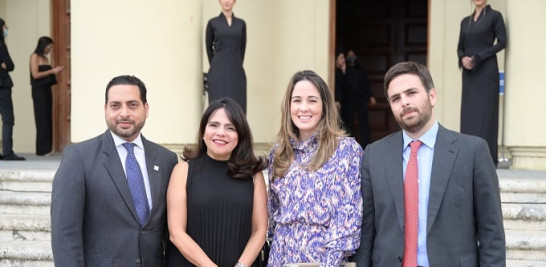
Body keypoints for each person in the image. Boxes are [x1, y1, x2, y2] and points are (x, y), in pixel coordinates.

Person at [351, 61, 505, 266]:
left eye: (411, 93)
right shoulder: (374, 155)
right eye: (396, 98)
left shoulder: (473, 152)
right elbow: (366, 230)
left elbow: (491, 232)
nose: (404, 102)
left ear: (432, 96)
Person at [51, 75, 179, 266]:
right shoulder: (78, 158)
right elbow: (65, 233)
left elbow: (170, 232)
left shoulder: (166, 159)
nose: (124, 113)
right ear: (105, 109)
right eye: (115, 105)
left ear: (146, 108)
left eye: (133, 105)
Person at [267, 70, 363, 266]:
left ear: (324, 107)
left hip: (324, 258)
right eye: (297, 100)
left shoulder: (346, 151)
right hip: (281, 256)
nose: (304, 108)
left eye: (312, 100)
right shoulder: (278, 154)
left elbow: (347, 218)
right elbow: (272, 215)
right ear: (288, 106)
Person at [166, 97, 267, 267]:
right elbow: (176, 233)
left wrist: (241, 266)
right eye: (214, 125)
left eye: (230, 128)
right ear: (203, 131)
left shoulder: (253, 176)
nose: (221, 133)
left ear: (240, 135)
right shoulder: (183, 171)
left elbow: (259, 231)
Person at [457, 0, 506, 166]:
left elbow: (502, 42)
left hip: (486, 71)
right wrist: (462, 58)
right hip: (469, 73)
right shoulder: (465, 21)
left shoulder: (495, 16)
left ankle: (487, 159)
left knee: (486, 114)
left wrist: (477, 58)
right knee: (469, 114)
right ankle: (468, 157)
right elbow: (460, 47)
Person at [206, 0, 247, 113]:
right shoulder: (212, 23)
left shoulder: (241, 24)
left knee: (238, 110)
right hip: (218, 72)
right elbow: (209, 47)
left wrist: (236, 64)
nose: (227, 1)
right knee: (218, 109)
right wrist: (215, 66)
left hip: (236, 73)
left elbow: (242, 49)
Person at [29, 36, 64, 156]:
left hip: (46, 90)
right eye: (49, 47)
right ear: (43, 46)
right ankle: (41, 149)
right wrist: (52, 71)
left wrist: (55, 71)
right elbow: (35, 75)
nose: (50, 50)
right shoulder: (35, 56)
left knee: (47, 117)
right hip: (38, 91)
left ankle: (48, 148)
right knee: (41, 118)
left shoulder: (45, 58)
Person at [0, 18, 24, 160]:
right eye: (4, 27)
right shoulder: (1, 45)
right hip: (3, 86)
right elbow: (11, 65)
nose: (6, 30)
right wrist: (4, 65)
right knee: (8, 119)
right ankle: (7, 152)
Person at [341, 49, 376, 148]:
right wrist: (343, 71)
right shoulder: (344, 70)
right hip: (348, 99)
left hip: (360, 97)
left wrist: (371, 96)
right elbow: (341, 85)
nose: (351, 57)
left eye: (353, 55)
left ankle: (367, 144)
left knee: (364, 121)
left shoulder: (360, 69)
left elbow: (366, 83)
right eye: (349, 55)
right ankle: (348, 144)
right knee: (348, 122)